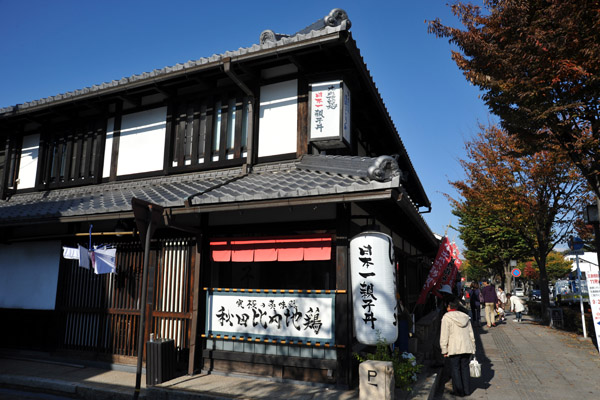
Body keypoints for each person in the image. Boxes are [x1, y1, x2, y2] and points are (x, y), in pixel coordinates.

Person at [440, 299, 477, 397]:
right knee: (465, 368)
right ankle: (467, 390)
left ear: (449, 307)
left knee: (455, 369)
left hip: (454, 347)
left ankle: (459, 391)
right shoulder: (465, 317)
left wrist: (444, 349)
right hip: (466, 346)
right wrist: (473, 347)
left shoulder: (446, 317)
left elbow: (444, 335)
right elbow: (471, 334)